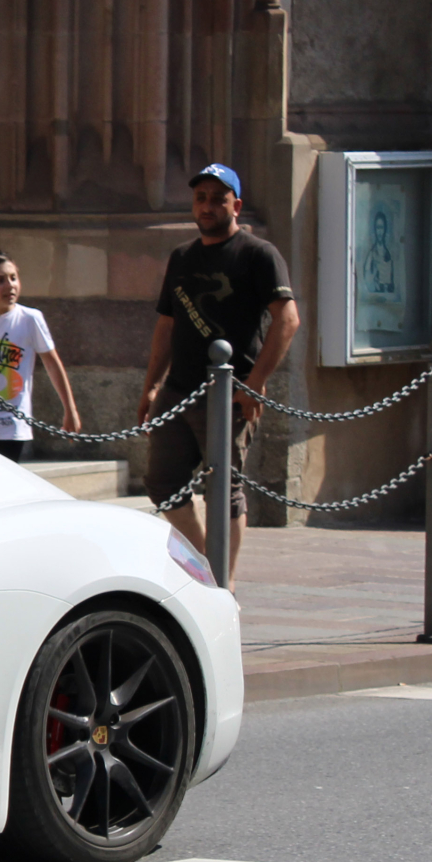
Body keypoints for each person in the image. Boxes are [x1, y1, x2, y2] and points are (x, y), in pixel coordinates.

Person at [139, 163, 301, 572]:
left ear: (237, 205)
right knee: (162, 484)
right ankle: (208, 565)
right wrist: (151, 386)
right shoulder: (181, 257)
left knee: (222, 490)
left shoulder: (259, 255)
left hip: (230, 393)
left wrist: (255, 383)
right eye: (201, 198)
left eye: (217, 198)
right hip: (179, 390)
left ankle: (222, 584)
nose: (208, 206)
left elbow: (287, 319)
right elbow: (167, 324)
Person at [0, 249, 81, 460]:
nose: (10, 285)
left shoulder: (30, 319)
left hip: (12, 427)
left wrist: (70, 409)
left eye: (13, 278)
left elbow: (52, 364)